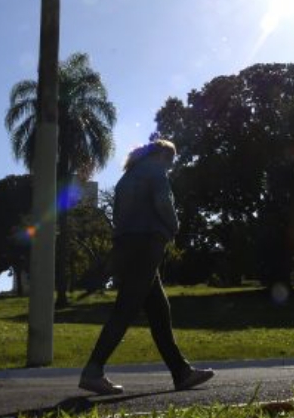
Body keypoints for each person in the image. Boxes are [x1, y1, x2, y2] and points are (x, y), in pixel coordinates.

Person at [78, 139, 214, 395]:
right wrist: (174, 227)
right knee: (126, 308)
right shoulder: (155, 171)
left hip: (127, 246)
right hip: (147, 245)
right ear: (162, 155)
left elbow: (118, 218)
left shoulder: (126, 178)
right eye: (170, 160)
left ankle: (181, 372)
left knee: (159, 312)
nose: (170, 166)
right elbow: (164, 202)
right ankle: (93, 370)